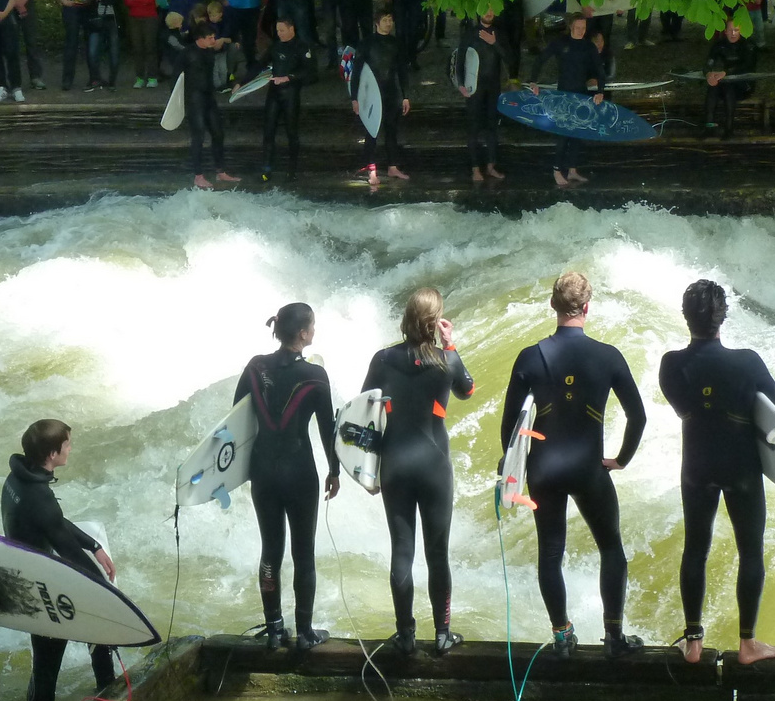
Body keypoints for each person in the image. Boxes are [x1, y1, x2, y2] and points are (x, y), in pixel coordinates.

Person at [499, 272, 647, 657]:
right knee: (611, 548)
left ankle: (562, 636)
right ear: (587, 307)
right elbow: (638, 416)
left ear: (552, 305)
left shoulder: (530, 356)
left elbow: (509, 427)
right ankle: (614, 638)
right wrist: (621, 459)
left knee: (550, 552)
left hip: (543, 470)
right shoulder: (608, 356)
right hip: (588, 469)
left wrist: (514, 471)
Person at [658, 280, 775, 666]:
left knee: (696, 547)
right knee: (750, 551)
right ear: (722, 316)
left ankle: (692, 642)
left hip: (696, 465)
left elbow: (684, 408)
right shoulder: (747, 361)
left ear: (686, 316)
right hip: (741, 466)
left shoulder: (671, 364)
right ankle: (748, 644)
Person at [363, 287, 474, 655]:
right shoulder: (447, 361)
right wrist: (451, 343)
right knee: (437, 553)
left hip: (395, 465)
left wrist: (369, 468)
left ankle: (406, 635)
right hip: (434, 467)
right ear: (435, 319)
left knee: (402, 552)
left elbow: (365, 408)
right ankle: (442, 635)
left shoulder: (382, 359)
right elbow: (467, 391)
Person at [235, 303, 340, 650]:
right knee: (303, 553)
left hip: (263, 471)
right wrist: (335, 471)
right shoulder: (315, 375)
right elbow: (328, 430)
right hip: (299, 473)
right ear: (304, 333)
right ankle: (305, 632)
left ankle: (275, 629)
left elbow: (235, 420)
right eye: (313, 326)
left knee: (271, 551)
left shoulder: (255, 366)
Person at [0, 419, 117, 701]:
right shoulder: (39, 497)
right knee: (51, 660)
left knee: (73, 645)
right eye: (67, 445)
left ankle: (104, 693)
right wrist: (105, 593)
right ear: (53, 454)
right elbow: (65, 547)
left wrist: (93, 544)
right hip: (44, 588)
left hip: (28, 574)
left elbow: (53, 522)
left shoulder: (18, 480)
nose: (70, 448)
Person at [531, 14, 607, 187]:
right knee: (563, 135)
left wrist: (600, 92)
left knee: (577, 135)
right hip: (563, 95)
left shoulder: (588, 46)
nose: (581, 31)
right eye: (578, 27)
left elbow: (599, 71)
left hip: (581, 95)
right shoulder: (560, 43)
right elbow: (540, 60)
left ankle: (572, 171)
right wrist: (533, 81)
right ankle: (557, 170)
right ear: (571, 26)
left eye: (584, 28)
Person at [349, 9, 410, 185]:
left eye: (390, 20)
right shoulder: (366, 43)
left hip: (391, 93)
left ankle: (393, 167)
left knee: (391, 131)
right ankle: (371, 170)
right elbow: (357, 73)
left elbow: (402, 72)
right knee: (371, 132)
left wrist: (405, 96)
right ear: (377, 23)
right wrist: (355, 98)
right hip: (371, 94)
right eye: (385, 20)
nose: (388, 23)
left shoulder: (396, 43)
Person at [180, 21, 240, 189]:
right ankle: (198, 175)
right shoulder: (187, 53)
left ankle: (220, 171)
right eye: (210, 38)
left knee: (218, 133)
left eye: (214, 37)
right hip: (194, 99)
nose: (214, 40)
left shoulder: (209, 52)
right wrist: (180, 102)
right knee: (198, 136)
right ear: (200, 39)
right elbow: (176, 79)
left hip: (208, 98)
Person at [257, 16, 307, 181]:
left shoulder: (301, 46)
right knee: (268, 130)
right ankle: (266, 168)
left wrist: (289, 78)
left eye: (282, 30)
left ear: (291, 29)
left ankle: (292, 170)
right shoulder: (276, 46)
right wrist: (241, 83)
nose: (278, 34)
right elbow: (260, 64)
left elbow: (311, 73)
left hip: (291, 94)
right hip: (274, 94)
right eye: (277, 30)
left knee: (291, 131)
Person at [459, 9, 506, 182]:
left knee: (492, 127)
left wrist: (494, 43)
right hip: (474, 88)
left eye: (492, 9)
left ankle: (491, 166)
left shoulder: (499, 33)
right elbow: (460, 60)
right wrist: (460, 84)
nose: (489, 13)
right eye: (485, 10)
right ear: (478, 12)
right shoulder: (470, 34)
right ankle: (475, 169)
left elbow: (509, 58)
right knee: (473, 127)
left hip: (493, 87)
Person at [703, 13, 759, 139]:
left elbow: (747, 66)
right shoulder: (719, 45)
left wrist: (726, 72)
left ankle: (729, 128)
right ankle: (709, 126)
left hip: (744, 86)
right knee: (713, 86)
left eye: (736, 30)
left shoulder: (749, 45)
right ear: (725, 31)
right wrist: (708, 74)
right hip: (724, 82)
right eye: (730, 30)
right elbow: (708, 64)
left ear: (741, 31)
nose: (733, 33)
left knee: (728, 87)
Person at [124, 0, 162, 89]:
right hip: (134, 18)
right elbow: (128, 1)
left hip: (150, 17)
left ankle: (152, 77)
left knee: (150, 47)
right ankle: (139, 77)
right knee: (137, 48)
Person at [85, 0, 122, 91]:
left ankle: (112, 81)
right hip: (96, 19)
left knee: (114, 51)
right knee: (93, 51)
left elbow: (117, 0)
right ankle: (95, 78)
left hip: (112, 20)